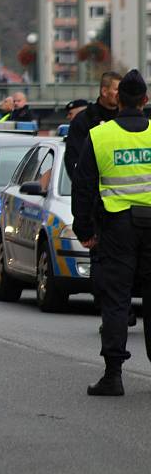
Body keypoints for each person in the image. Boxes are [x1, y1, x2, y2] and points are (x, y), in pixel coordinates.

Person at [72, 69, 151, 396]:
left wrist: (84, 228)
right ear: (145, 101)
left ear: (118, 99)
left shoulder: (100, 136)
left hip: (118, 228)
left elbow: (83, 186)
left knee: (117, 301)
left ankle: (113, 375)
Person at [64, 71, 122, 178]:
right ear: (104, 91)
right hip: (93, 191)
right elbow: (74, 160)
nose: (121, 94)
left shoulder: (125, 119)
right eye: (117, 90)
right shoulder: (83, 120)